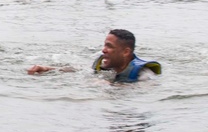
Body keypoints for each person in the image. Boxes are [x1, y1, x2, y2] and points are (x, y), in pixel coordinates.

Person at [27, 29, 161, 82]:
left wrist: (109, 87)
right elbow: (77, 69)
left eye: (109, 46)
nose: (103, 50)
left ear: (126, 52)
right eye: (104, 45)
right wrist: (46, 69)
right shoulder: (105, 65)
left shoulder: (144, 76)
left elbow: (143, 94)